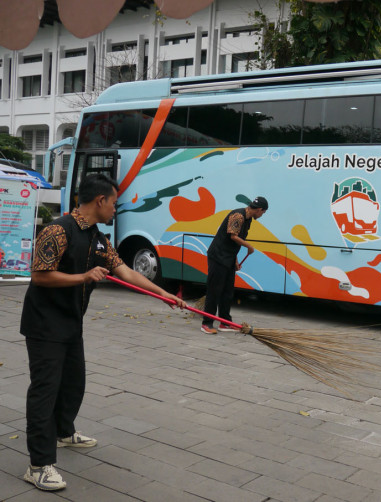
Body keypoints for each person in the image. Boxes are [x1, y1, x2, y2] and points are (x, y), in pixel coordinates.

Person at [19, 173, 186, 491]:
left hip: (71, 323)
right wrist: (83, 277)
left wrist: (163, 294)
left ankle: (63, 432)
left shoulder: (97, 237)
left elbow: (124, 270)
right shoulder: (58, 230)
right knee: (45, 391)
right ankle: (39, 464)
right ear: (100, 201)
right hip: (44, 325)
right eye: (114, 203)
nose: (115, 209)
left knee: (73, 383)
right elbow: (41, 276)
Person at [201, 196, 268, 334]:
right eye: (263, 212)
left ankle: (225, 322)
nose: (262, 215)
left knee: (227, 291)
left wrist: (235, 261)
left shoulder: (248, 219)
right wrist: (248, 246)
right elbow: (233, 236)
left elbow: (233, 244)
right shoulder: (238, 215)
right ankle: (206, 323)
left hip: (228, 258)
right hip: (218, 256)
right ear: (260, 209)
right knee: (214, 290)